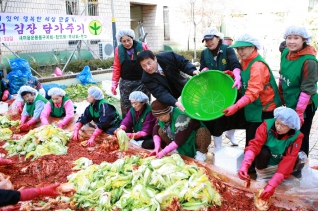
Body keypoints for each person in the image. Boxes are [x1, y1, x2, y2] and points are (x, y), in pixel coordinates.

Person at [223, 34, 282, 148]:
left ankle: (256, 166)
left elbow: (252, 92)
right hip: (253, 108)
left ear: (253, 47)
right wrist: (232, 75)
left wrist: (236, 107)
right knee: (251, 143)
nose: (240, 51)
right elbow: (244, 77)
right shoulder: (244, 61)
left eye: (243, 48)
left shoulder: (258, 66)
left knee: (258, 145)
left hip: (264, 110)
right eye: (238, 49)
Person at [238, 107, 304, 200]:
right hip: (266, 160)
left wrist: (273, 184)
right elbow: (254, 145)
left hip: (280, 162)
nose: (278, 127)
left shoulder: (296, 136)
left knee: (300, 158)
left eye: (283, 125)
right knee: (262, 152)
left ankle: (278, 178)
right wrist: (245, 165)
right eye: (277, 123)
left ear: (291, 126)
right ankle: (262, 177)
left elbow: (289, 160)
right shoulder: (266, 125)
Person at [200, 27, 245, 151]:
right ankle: (218, 147)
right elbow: (203, 66)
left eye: (211, 39)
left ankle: (230, 134)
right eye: (206, 40)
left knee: (233, 113)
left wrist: (236, 73)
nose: (209, 42)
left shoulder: (228, 50)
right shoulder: (204, 53)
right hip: (214, 90)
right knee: (216, 118)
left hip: (230, 88)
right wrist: (203, 70)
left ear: (218, 38)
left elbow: (235, 63)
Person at [279, 25, 318, 156]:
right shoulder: (285, 53)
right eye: (289, 38)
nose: (291, 41)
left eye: (296, 38)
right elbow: (282, 74)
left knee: (301, 136)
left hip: (304, 105)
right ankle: (289, 161)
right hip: (291, 100)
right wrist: (281, 96)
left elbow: (307, 89)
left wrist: (299, 113)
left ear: (304, 40)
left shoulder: (309, 61)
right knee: (290, 134)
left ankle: (301, 166)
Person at [111, 29, 150, 118]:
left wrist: (153, 77)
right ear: (120, 41)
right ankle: (127, 125)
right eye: (124, 41)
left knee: (142, 104)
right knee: (126, 106)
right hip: (126, 84)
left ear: (132, 38)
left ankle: (145, 124)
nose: (127, 43)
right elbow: (117, 67)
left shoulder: (142, 46)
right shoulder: (118, 50)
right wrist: (114, 83)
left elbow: (150, 62)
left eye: (128, 40)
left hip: (142, 81)